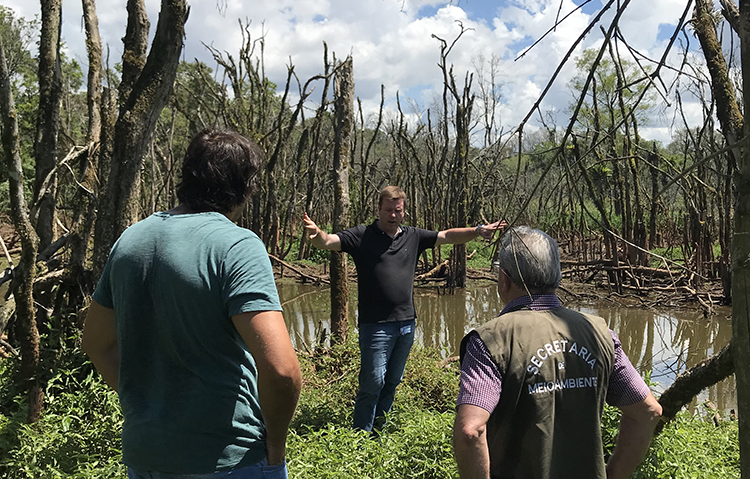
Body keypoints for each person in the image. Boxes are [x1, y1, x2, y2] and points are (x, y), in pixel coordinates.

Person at [82, 129, 302, 479]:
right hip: (227, 459)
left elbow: (96, 343)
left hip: (145, 456)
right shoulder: (236, 246)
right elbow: (282, 370)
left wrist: (145, 407)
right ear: (246, 187)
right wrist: (275, 445)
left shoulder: (130, 241)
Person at [452, 226, 663, 479]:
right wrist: (614, 474)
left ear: (504, 279)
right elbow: (648, 411)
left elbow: (471, 430)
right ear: (557, 277)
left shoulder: (491, 340)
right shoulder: (600, 333)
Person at [303, 185, 504, 432]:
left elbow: (448, 236)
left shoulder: (413, 236)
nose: (393, 215)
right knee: (372, 382)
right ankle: (360, 436)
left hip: (406, 324)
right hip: (375, 326)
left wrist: (478, 230)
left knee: (392, 382)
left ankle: (379, 431)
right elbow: (329, 241)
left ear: (404, 211)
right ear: (378, 209)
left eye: (397, 210)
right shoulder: (362, 236)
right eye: (388, 210)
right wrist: (317, 234)